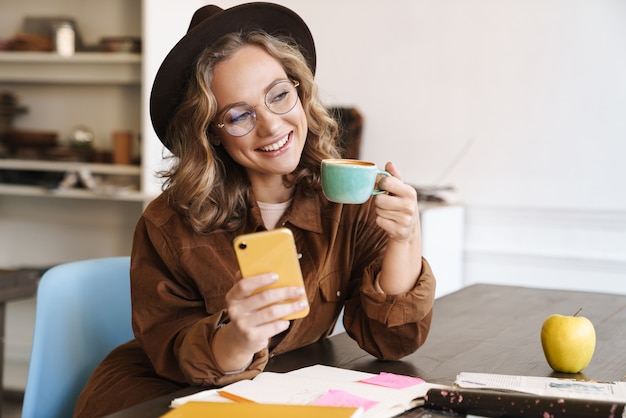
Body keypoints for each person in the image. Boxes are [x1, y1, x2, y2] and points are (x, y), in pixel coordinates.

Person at [74, 3, 436, 417]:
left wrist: (406, 239)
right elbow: (172, 352)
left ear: (300, 91)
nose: (270, 126)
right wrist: (237, 338)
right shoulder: (168, 222)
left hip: (274, 396)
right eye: (239, 115)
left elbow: (392, 344)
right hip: (156, 399)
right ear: (211, 132)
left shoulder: (348, 202)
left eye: (279, 95)